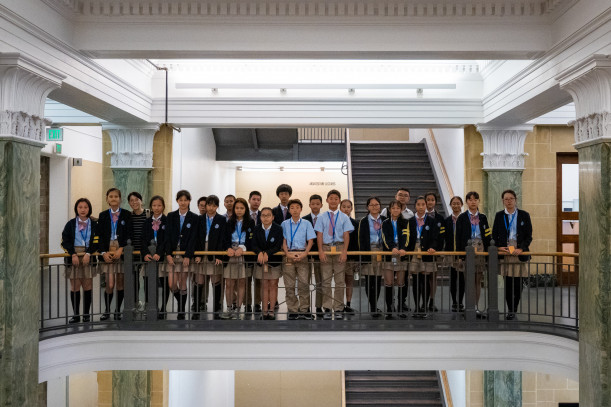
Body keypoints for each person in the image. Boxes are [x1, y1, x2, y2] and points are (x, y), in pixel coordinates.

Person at [492, 189, 533, 320]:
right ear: (503, 201)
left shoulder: (524, 215)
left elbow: (528, 236)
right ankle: (510, 310)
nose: (508, 201)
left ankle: (514, 308)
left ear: (515, 200)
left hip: (518, 252)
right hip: (506, 253)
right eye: (506, 199)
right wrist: (499, 247)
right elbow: (494, 235)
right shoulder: (499, 216)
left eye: (511, 198)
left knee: (518, 283)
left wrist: (521, 248)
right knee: (508, 283)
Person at [314, 189, 354, 320]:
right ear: (327, 200)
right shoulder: (321, 217)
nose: (333, 201)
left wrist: (344, 252)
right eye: (331, 198)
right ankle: (327, 307)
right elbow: (319, 235)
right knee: (325, 280)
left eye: (336, 198)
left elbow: (346, 235)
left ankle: (338, 308)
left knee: (339, 281)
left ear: (339, 201)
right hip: (325, 248)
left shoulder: (344, 217)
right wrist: (320, 251)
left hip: (339, 247)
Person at [61, 198, 98, 323]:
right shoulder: (70, 224)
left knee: (87, 285)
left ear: (89, 209)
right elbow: (64, 241)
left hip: (88, 256)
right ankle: (76, 315)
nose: (83, 210)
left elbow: (97, 241)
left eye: (85, 207)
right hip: (74, 257)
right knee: (75, 286)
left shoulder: (94, 224)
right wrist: (73, 254)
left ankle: (86, 314)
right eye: (80, 207)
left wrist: (88, 253)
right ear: (76, 209)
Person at [455, 191, 491, 318]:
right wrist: (459, 256)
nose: (473, 201)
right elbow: (458, 238)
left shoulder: (483, 217)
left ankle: (475, 306)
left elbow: (487, 235)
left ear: (478, 201)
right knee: (468, 280)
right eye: (470, 199)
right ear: (467, 202)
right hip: (467, 250)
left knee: (477, 280)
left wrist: (488, 254)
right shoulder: (462, 217)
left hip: (480, 250)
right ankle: (468, 306)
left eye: (475, 199)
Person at [98, 188, 131, 321]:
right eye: (111, 196)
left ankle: (118, 310)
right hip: (107, 250)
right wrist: (103, 252)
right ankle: (107, 310)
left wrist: (121, 248)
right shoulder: (103, 215)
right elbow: (99, 236)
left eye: (116, 196)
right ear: (107, 199)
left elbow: (129, 234)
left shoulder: (127, 215)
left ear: (120, 199)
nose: (113, 199)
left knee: (120, 282)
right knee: (110, 283)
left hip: (120, 250)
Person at [165, 190, 198, 320]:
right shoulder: (171, 216)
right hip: (173, 253)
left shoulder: (194, 217)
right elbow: (167, 236)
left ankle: (181, 310)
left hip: (185, 253)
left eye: (185, 200)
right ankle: (181, 301)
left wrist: (188, 256)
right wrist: (168, 254)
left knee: (183, 281)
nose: (183, 202)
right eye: (180, 200)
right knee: (172, 283)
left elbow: (193, 238)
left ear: (189, 201)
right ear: (177, 201)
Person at [282, 199, 316, 320]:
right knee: (289, 285)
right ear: (289, 210)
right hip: (289, 256)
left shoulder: (306, 223)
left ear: (301, 209)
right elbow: (283, 241)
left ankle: (304, 310)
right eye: (292, 207)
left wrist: (305, 254)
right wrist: (287, 254)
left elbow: (311, 240)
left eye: (297, 207)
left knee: (304, 284)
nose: (295, 210)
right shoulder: (284, 224)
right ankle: (292, 310)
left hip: (303, 255)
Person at [195, 195, 227, 319]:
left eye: (214, 205)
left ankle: (216, 308)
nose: (211, 207)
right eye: (209, 205)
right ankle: (197, 308)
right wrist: (197, 254)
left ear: (217, 207)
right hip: (202, 251)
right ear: (205, 205)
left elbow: (223, 238)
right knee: (199, 280)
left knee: (216, 280)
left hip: (215, 251)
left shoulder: (221, 219)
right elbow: (196, 237)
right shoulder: (200, 219)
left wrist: (219, 255)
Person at [407, 196, 440, 319]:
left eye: (423, 205)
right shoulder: (410, 221)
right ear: (415, 206)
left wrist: (433, 247)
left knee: (426, 280)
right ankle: (417, 307)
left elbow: (436, 237)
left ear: (426, 206)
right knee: (416, 280)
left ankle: (425, 306)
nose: (421, 207)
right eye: (418, 205)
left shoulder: (431, 221)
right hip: (414, 252)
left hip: (427, 252)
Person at [222, 198, 254, 319]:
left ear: (245, 209)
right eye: (237, 208)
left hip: (244, 254)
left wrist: (243, 249)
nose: (239, 210)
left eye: (242, 208)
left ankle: (239, 308)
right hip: (231, 254)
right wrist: (228, 248)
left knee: (241, 282)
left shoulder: (250, 222)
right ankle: (229, 307)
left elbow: (252, 240)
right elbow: (224, 238)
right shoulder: (228, 222)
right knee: (229, 283)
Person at [141, 195, 170, 319]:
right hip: (149, 257)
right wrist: (145, 253)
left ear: (163, 206)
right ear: (151, 207)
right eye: (154, 205)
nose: (157, 208)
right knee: (148, 283)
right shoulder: (147, 221)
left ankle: (163, 308)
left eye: (159, 205)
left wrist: (160, 252)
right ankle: (150, 306)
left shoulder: (167, 220)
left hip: (161, 257)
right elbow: (142, 239)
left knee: (164, 283)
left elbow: (167, 239)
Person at [252, 207, 284, 320]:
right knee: (264, 285)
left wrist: (267, 253)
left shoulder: (278, 228)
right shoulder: (256, 229)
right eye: (263, 215)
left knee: (273, 285)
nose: (266, 218)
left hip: (274, 262)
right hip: (261, 262)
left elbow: (278, 245)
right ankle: (264, 310)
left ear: (273, 217)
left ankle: (271, 310)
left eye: (268, 215)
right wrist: (259, 252)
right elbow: (253, 244)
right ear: (260, 217)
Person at [357, 197, 386, 318]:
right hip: (369, 251)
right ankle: (373, 306)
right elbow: (361, 239)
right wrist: (363, 256)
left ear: (380, 206)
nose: (374, 207)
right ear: (367, 207)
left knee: (378, 280)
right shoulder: (363, 221)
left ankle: (375, 305)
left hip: (381, 252)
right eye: (372, 205)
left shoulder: (385, 220)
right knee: (369, 281)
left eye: (377, 204)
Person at [381, 199, 409, 319]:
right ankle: (389, 308)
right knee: (389, 282)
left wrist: (403, 248)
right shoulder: (385, 223)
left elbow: (406, 236)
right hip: (389, 254)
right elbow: (384, 237)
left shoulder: (405, 222)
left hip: (401, 254)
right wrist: (391, 247)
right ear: (389, 209)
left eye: (398, 208)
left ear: (401, 209)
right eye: (393, 208)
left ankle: (401, 307)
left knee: (401, 282)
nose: (396, 210)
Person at [302, 194, 324, 317]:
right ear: (309, 205)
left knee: (320, 281)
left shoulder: (325, 218)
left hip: (320, 254)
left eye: (317, 204)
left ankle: (319, 306)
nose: (315, 206)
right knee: (305, 281)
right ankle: (306, 308)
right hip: (306, 254)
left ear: (321, 205)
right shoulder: (304, 219)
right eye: (313, 204)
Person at [424, 192, 445, 312]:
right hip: (423, 252)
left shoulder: (440, 218)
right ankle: (423, 302)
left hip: (434, 252)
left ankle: (432, 300)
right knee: (423, 277)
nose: (430, 202)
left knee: (433, 277)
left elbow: (441, 236)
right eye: (428, 200)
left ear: (435, 202)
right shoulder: (420, 216)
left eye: (432, 200)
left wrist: (437, 249)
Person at [128, 191, 149, 310]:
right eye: (131, 200)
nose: (134, 202)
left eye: (136, 199)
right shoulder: (128, 216)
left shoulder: (148, 214)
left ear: (141, 200)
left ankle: (148, 303)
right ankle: (135, 302)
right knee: (134, 279)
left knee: (147, 279)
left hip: (146, 252)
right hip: (133, 253)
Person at [445, 196, 465, 312]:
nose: (456, 205)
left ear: (461, 205)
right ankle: (454, 302)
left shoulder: (465, 219)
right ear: (450, 205)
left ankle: (461, 302)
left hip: (462, 253)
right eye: (453, 203)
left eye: (458, 203)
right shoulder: (447, 220)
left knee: (461, 278)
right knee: (453, 278)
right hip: (451, 253)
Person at [340, 199, 359, 314]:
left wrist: (356, 258)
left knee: (349, 281)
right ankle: (338, 304)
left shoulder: (356, 223)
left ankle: (348, 303)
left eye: (348, 207)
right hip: (338, 256)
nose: (346, 209)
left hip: (351, 257)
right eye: (344, 207)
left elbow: (357, 242)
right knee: (339, 282)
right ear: (340, 208)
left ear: (351, 209)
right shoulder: (336, 222)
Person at [246, 190, 263, 313]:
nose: (256, 202)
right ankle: (247, 304)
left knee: (258, 280)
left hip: (260, 253)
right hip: (246, 253)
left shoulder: (265, 215)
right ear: (249, 200)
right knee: (246, 279)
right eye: (254, 199)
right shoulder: (243, 215)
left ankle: (257, 303)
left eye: (258, 200)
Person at [192, 196, 208, 313]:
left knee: (207, 278)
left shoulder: (213, 219)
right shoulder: (196, 219)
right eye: (201, 205)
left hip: (210, 251)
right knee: (197, 278)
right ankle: (196, 301)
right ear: (198, 206)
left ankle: (204, 301)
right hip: (198, 251)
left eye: (205, 205)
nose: (203, 207)